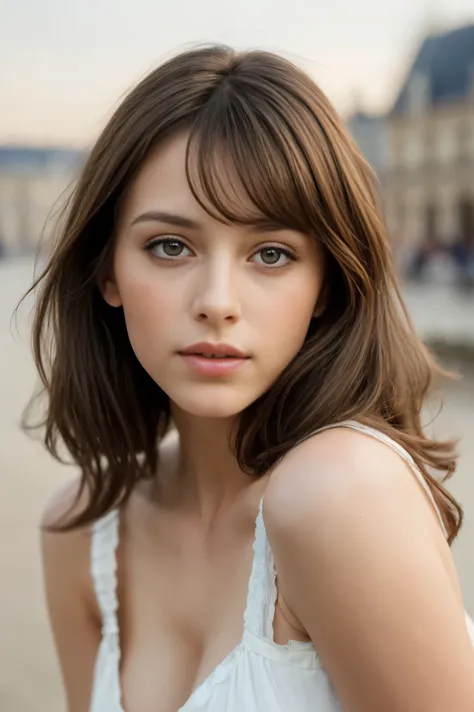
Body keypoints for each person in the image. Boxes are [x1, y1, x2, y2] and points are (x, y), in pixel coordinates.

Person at [24, 46, 474, 712]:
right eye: (170, 246)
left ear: (327, 283)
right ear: (107, 269)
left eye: (272, 253)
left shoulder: (340, 493)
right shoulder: (79, 532)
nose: (217, 300)